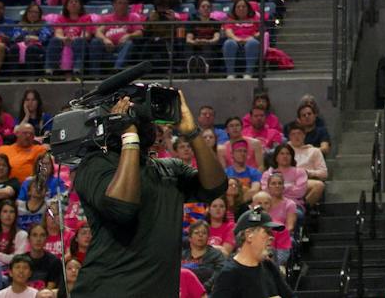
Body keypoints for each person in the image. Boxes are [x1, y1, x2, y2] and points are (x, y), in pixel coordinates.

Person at [71, 91, 226, 298]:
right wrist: (129, 136)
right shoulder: (95, 165)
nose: (145, 122)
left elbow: (215, 187)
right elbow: (122, 207)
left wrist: (192, 133)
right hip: (106, 290)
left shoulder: (170, 168)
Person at [208, 208, 291, 298]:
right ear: (249, 236)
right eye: (267, 231)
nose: (272, 237)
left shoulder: (268, 266)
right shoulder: (229, 273)